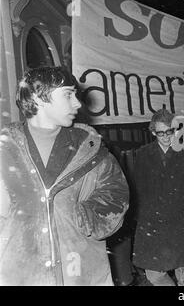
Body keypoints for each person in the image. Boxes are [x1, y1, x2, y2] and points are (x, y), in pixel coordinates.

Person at [0, 66, 129, 285]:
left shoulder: (89, 148)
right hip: (21, 273)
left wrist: (88, 216)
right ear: (37, 98)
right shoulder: (5, 149)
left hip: (80, 269)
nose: (78, 103)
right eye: (68, 95)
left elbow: (116, 193)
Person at [132, 109, 184, 286]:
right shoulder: (143, 154)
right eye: (161, 133)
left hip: (178, 221)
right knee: (154, 274)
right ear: (153, 132)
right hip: (152, 223)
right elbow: (138, 188)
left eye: (170, 131)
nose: (166, 137)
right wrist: (142, 217)